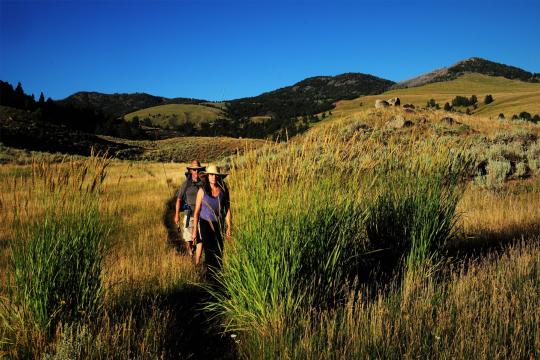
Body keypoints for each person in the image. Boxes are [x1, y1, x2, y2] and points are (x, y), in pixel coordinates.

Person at [191, 164, 231, 275]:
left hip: (219, 224)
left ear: (219, 176)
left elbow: (227, 209)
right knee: (209, 250)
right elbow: (197, 211)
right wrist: (194, 230)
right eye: (211, 174)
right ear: (208, 176)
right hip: (205, 224)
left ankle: (218, 275)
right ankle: (210, 276)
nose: (213, 177)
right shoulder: (202, 191)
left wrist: (229, 226)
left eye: (216, 175)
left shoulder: (223, 190)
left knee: (219, 250)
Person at [174, 160, 205, 255]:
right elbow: (179, 200)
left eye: (198, 170)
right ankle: (190, 249)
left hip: (201, 215)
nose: (196, 172)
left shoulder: (203, 184)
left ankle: (197, 257)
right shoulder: (185, 184)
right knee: (188, 238)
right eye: (194, 170)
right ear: (190, 170)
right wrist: (177, 215)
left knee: (201, 237)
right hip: (189, 214)